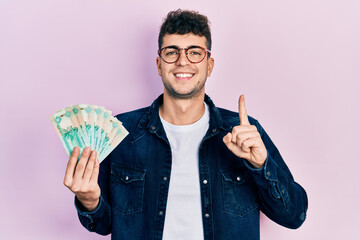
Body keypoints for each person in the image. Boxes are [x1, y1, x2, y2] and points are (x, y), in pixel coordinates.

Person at [63, 9, 308, 240]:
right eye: (172, 52)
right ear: (159, 65)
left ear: (209, 65)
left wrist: (260, 165)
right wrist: (89, 200)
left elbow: (293, 215)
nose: (183, 61)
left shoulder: (243, 133)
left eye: (194, 52)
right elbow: (105, 224)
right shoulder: (120, 132)